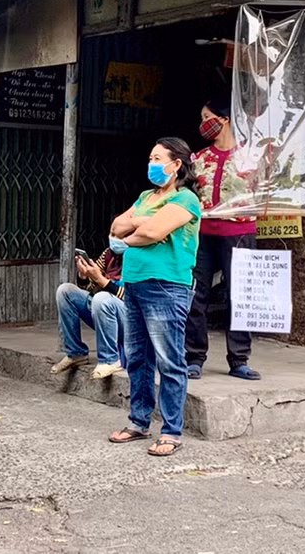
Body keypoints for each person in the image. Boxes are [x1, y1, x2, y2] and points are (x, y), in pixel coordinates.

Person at [107, 137, 201, 457]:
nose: (152, 163)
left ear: (176, 165)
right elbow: (116, 226)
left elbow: (152, 233)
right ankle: (139, 421)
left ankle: (172, 430)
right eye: (150, 157)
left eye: (158, 158)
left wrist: (136, 228)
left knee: (169, 360)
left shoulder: (186, 199)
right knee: (138, 358)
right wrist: (142, 221)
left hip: (166, 285)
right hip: (133, 284)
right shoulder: (147, 196)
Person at [187, 99, 262, 382]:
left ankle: (239, 359)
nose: (203, 124)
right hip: (202, 235)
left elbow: (265, 193)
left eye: (207, 117)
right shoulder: (198, 159)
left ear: (225, 118)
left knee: (240, 296)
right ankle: (194, 357)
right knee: (196, 294)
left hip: (239, 234)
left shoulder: (251, 157)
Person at [51, 248, 126, 380]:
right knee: (65, 291)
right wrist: (84, 276)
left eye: (118, 233)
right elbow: (89, 287)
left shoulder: (140, 256)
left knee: (101, 298)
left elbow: (134, 298)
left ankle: (109, 360)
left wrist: (102, 281)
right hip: (105, 313)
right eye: (112, 234)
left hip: (131, 320)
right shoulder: (108, 254)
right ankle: (76, 353)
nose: (114, 238)